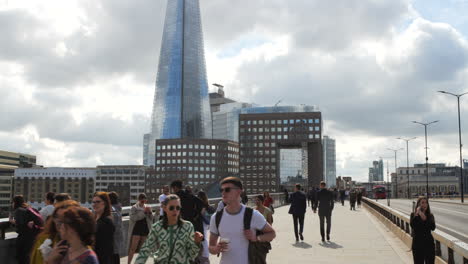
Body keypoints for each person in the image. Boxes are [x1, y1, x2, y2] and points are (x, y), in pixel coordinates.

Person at [209, 177, 276, 264]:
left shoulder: (252, 214)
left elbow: (272, 234)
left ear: (239, 191)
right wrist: (216, 249)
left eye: (227, 189)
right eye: (221, 190)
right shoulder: (216, 217)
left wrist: (256, 238)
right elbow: (211, 247)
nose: (223, 193)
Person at [135, 194, 204, 264]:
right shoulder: (157, 227)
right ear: (164, 208)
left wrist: (197, 242)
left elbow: (192, 254)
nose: (175, 210)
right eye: (171, 208)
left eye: (178, 208)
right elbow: (145, 249)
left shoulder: (188, 226)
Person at [30, 200, 80, 264]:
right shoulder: (44, 242)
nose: (61, 225)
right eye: (57, 218)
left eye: (66, 220)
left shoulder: (83, 247)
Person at [11, 195, 43, 264]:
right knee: (28, 257)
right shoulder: (29, 208)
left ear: (15, 202)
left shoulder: (18, 210)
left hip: (24, 238)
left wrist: (13, 222)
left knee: (22, 257)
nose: (12, 204)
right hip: (32, 237)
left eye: (12, 202)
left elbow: (21, 226)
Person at [128, 193, 153, 264]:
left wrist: (150, 213)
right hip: (136, 229)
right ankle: (129, 262)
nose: (143, 201)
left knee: (142, 249)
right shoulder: (134, 207)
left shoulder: (148, 207)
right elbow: (133, 218)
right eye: (141, 199)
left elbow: (151, 219)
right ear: (139, 200)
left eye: (144, 199)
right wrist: (144, 213)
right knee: (133, 248)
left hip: (145, 229)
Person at [410, 197, 436, 264]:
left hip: (429, 244)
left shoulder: (430, 216)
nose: (425, 204)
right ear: (418, 204)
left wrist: (423, 216)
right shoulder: (413, 215)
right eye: (422, 203)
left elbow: (433, 227)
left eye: (426, 203)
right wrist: (418, 213)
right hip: (417, 245)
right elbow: (413, 225)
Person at [92, 192, 115, 264]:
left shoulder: (106, 222)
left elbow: (106, 248)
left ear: (105, 203)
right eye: (93, 202)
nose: (94, 204)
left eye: (98, 202)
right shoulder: (95, 219)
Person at [198, 191, 215, 264]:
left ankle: (205, 256)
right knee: (204, 238)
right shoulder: (207, 204)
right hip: (206, 224)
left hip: (202, 223)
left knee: (203, 239)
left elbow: (201, 214)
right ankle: (205, 256)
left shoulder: (201, 205)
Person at [108, 191, 123, 264]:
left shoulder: (112, 208)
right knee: (116, 254)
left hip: (113, 234)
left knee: (113, 255)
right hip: (118, 233)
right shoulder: (119, 207)